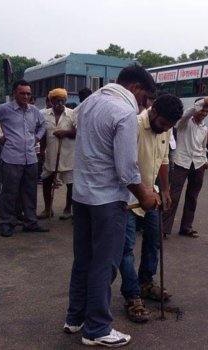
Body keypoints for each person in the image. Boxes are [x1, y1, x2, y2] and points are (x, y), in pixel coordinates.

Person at [64, 64, 160, 348]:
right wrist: (145, 196)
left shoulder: (90, 102)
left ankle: (75, 318)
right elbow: (127, 168)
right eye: (145, 99)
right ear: (135, 88)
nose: (144, 106)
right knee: (104, 266)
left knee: (83, 261)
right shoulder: (124, 111)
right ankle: (97, 329)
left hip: (82, 197)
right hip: (107, 200)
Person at [119, 94, 183, 323]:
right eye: (164, 124)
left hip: (152, 196)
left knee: (153, 241)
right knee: (125, 248)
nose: (165, 129)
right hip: (127, 198)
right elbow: (125, 165)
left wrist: (164, 189)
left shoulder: (165, 129)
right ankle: (132, 295)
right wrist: (142, 193)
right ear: (153, 112)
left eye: (170, 126)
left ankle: (146, 283)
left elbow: (163, 160)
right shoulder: (133, 126)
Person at [0, 80, 48, 237]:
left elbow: (43, 125)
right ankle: (6, 223)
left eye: (28, 93)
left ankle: (30, 222)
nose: (25, 96)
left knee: (30, 192)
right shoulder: (4, 109)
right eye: (22, 93)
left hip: (30, 158)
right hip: (11, 158)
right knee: (9, 193)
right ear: (14, 93)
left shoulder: (34, 111)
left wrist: (37, 137)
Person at [162, 96, 208, 238]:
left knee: (193, 197)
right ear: (196, 109)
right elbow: (189, 111)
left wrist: (204, 159)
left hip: (198, 164)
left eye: (207, 111)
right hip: (181, 162)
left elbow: (203, 146)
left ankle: (186, 227)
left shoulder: (204, 128)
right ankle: (163, 228)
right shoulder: (184, 122)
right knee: (173, 196)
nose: (204, 113)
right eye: (202, 110)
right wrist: (203, 102)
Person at [38, 88, 76, 220]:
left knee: (70, 183)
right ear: (51, 101)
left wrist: (64, 133)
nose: (60, 103)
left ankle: (67, 209)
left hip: (68, 154)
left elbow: (79, 133)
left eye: (63, 100)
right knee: (46, 180)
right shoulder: (44, 115)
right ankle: (48, 209)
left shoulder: (72, 114)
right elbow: (42, 134)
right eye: (57, 100)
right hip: (50, 153)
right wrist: (42, 150)